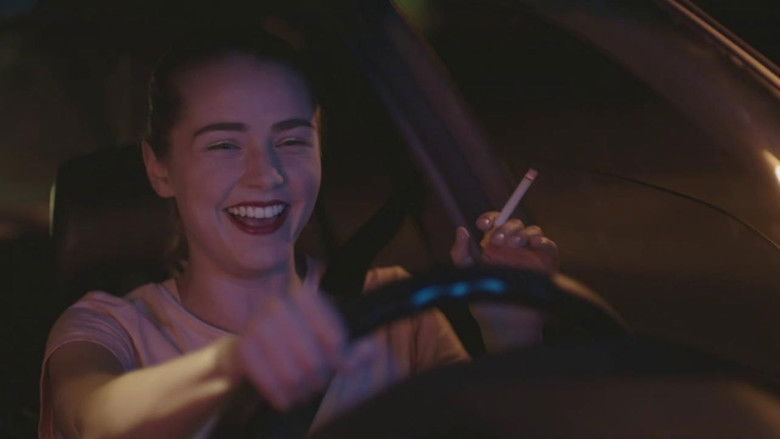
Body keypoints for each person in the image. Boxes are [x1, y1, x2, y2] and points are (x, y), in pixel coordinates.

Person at [39, 30, 559, 439]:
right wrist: (237, 363)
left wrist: (510, 334)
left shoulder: (396, 310)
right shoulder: (110, 328)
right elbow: (96, 419)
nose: (266, 175)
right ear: (159, 168)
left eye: (291, 140)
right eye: (223, 145)